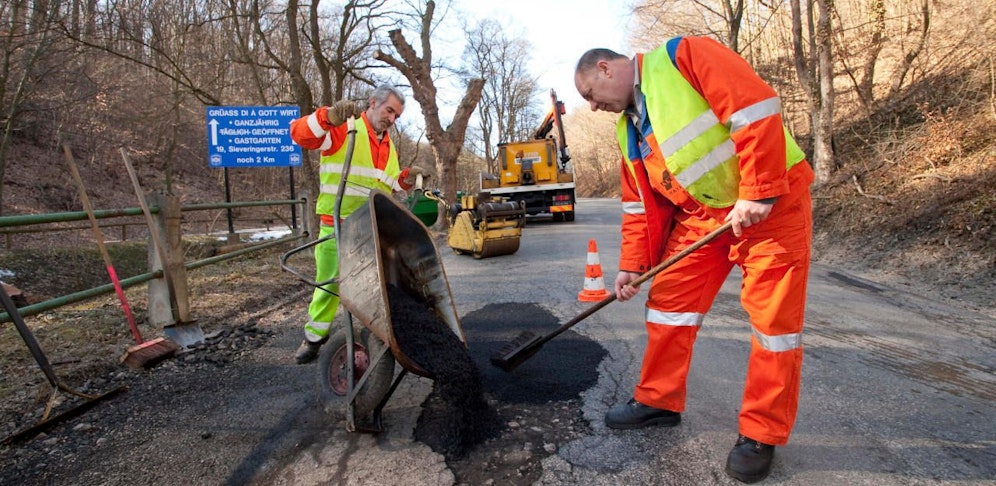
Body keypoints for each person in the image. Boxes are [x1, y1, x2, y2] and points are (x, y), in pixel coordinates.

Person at [574, 36, 813, 484]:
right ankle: (658, 400)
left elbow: (754, 108)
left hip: (771, 206)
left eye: (590, 93)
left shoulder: (682, 57)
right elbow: (639, 207)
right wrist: (633, 266)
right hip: (704, 216)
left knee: (773, 324)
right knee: (669, 303)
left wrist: (759, 189)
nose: (591, 106)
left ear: (606, 68)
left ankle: (760, 434)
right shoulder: (627, 130)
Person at [289, 85, 427, 364]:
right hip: (337, 225)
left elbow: (387, 184)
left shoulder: (387, 145)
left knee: (375, 286)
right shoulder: (345, 127)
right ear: (373, 102)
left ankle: (374, 335)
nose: (392, 119)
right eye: (389, 110)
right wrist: (328, 116)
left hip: (370, 228)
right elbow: (299, 134)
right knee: (329, 284)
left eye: (397, 116)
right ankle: (314, 337)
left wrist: (405, 178)